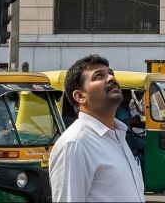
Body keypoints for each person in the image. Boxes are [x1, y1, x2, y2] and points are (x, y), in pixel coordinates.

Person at [50, 54, 145, 202]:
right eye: (99, 76)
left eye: (111, 73)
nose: (111, 78)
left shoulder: (118, 136)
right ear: (80, 96)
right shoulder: (75, 144)